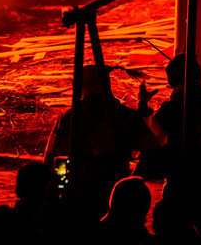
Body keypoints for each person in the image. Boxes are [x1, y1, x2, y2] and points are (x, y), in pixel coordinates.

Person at [43, 64, 158, 224]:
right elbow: (153, 151)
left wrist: (58, 189)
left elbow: (53, 158)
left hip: (79, 195)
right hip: (116, 196)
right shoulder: (126, 116)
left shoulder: (70, 117)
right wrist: (132, 180)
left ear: (82, 86)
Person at [148, 53, 201, 238]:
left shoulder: (171, 108)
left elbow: (150, 139)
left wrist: (143, 105)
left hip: (181, 180)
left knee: (175, 235)